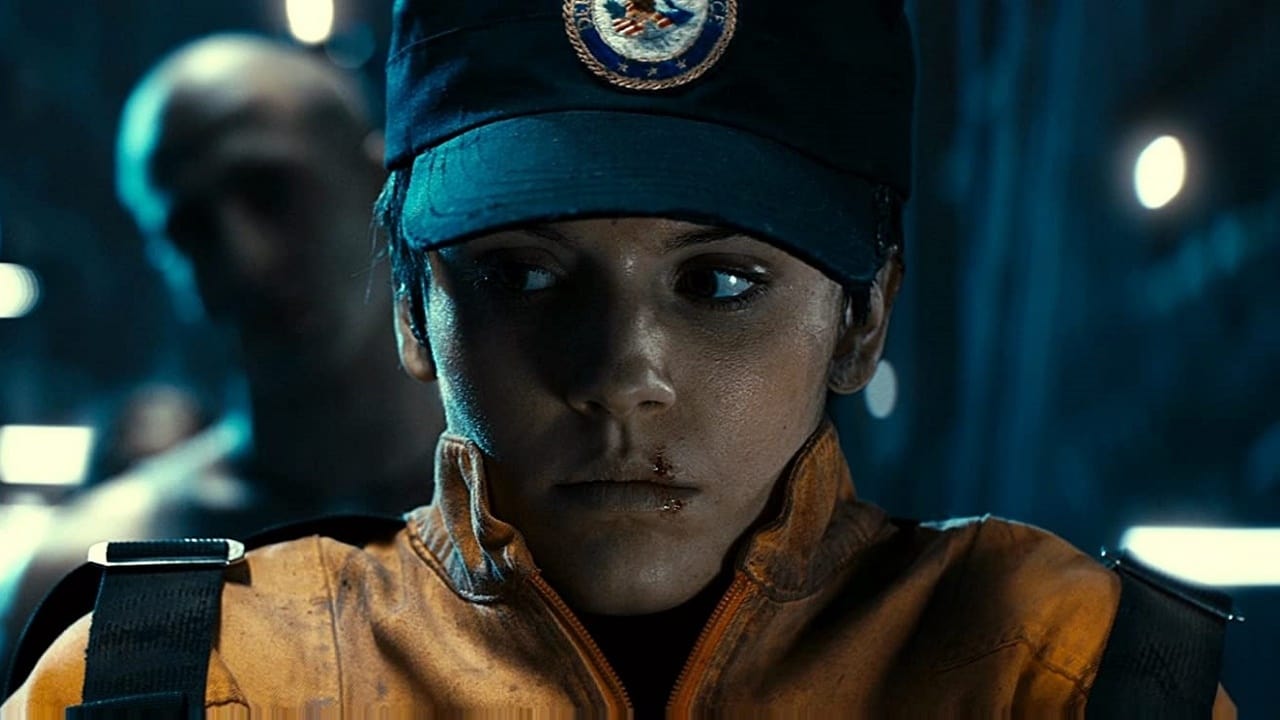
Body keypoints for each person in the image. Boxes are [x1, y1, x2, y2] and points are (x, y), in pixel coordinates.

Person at [3, 1, 1235, 716]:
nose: (621, 373)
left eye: (719, 283)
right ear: (410, 309)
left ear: (861, 319)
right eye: (524, 277)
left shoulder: (1064, 677)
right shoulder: (181, 685)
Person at [0, 34, 444, 685]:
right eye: (190, 228)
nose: (245, 259)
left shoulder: (541, 512)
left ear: (379, 184)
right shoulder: (77, 578)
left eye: (272, 192)